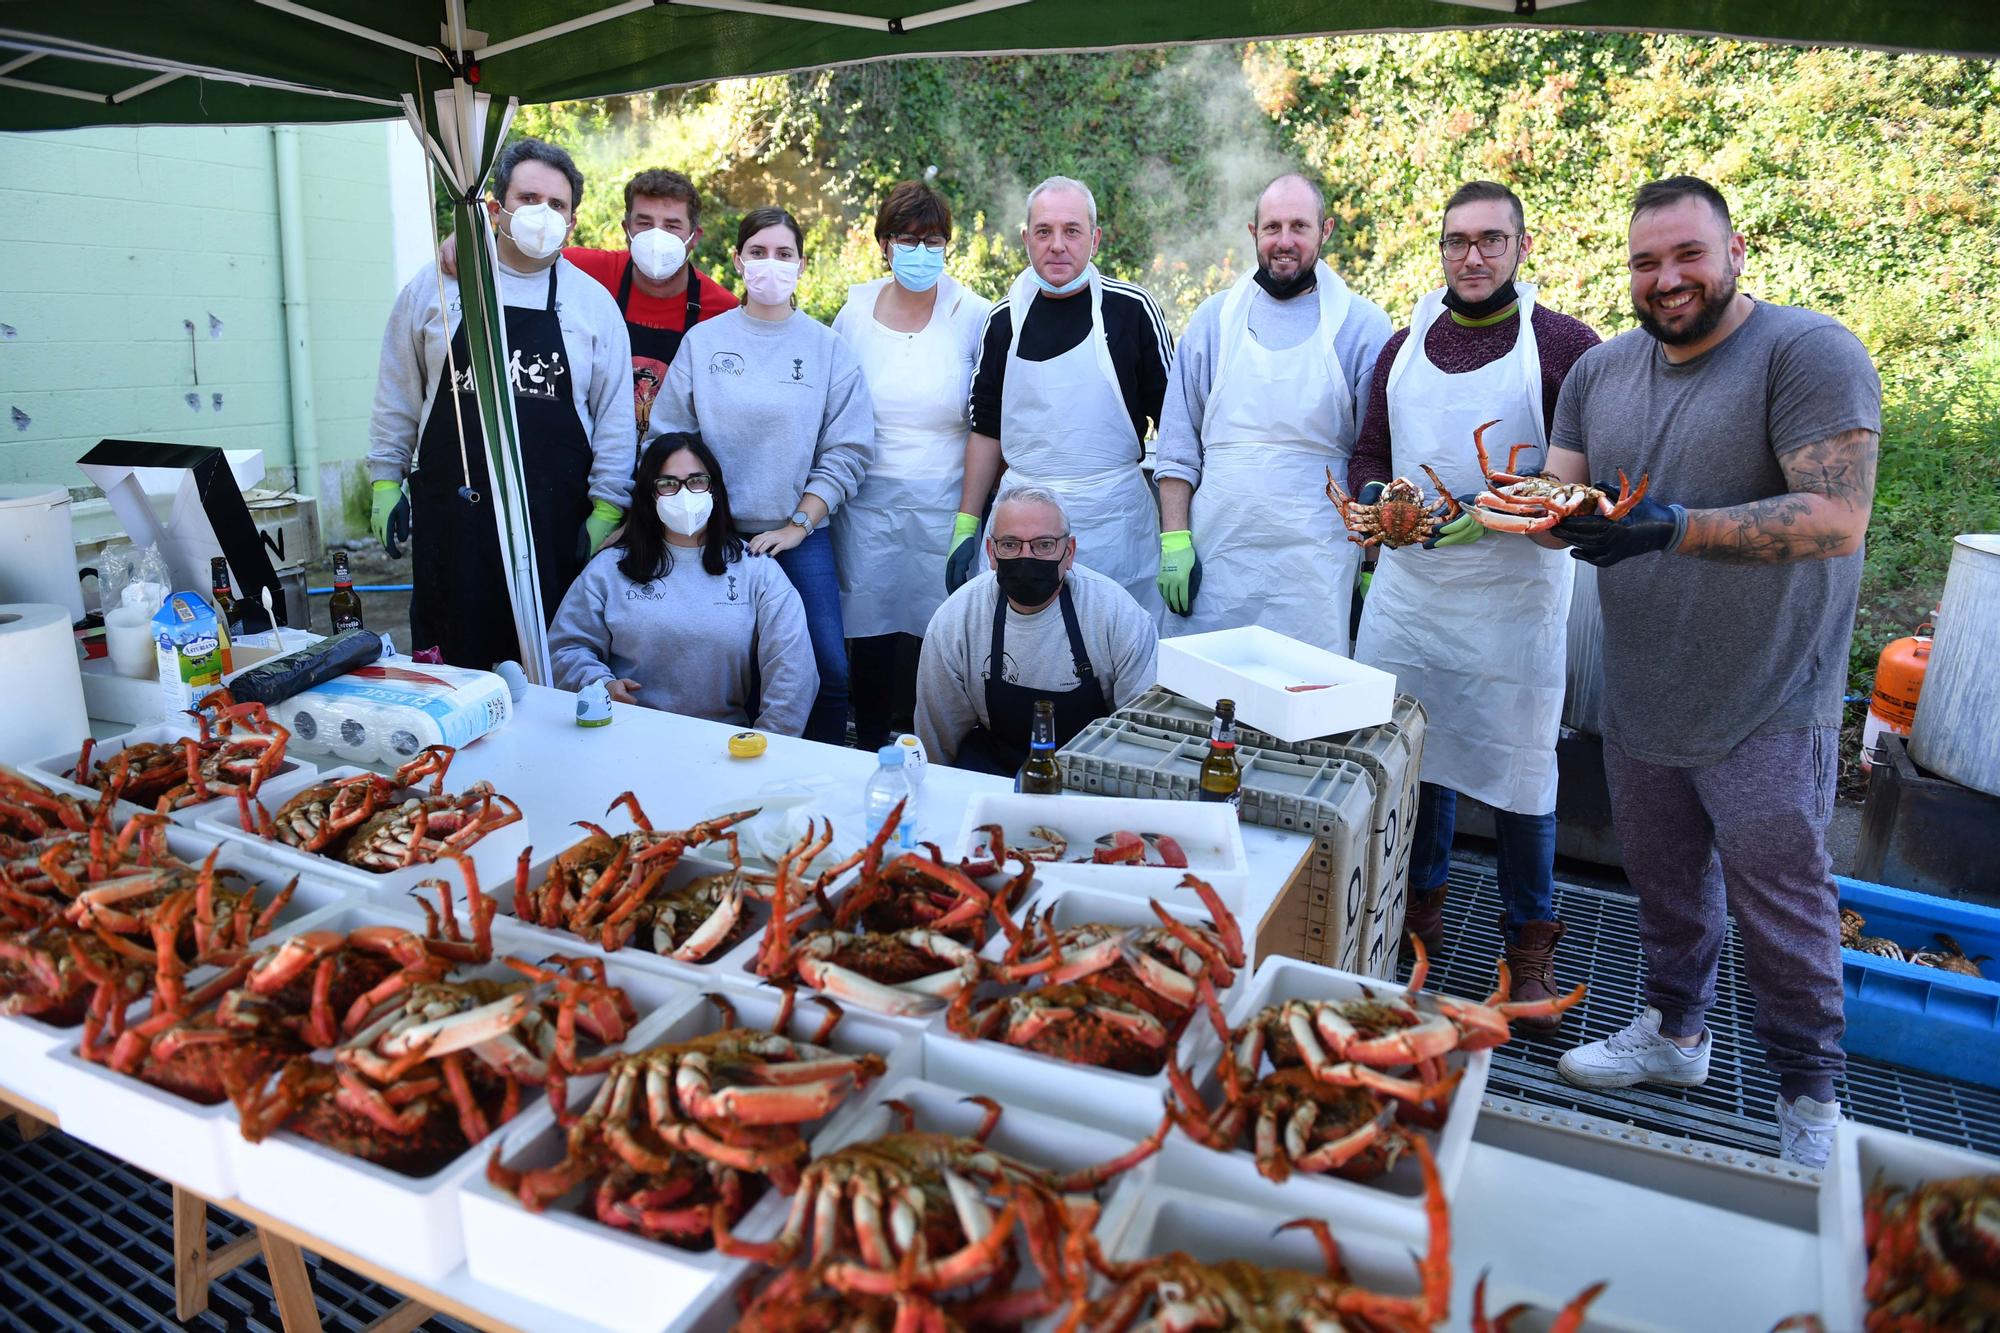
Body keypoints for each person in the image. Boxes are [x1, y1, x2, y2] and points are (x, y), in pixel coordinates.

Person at [1542, 176, 1880, 1168]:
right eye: (1645, 261)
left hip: (1768, 694)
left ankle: (1807, 1102)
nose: (1666, 278)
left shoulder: (1804, 352)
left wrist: (1671, 526)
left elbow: (1834, 519)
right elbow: (1550, 490)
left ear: (1735, 252)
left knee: (1782, 910)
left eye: (1687, 254)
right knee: (1663, 887)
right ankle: (1674, 1036)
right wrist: (1487, 514)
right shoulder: (1598, 374)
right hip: (1643, 684)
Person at [1347, 180, 1603, 1027]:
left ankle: (1529, 947)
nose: (1474, 256)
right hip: (1411, 595)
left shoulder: (1565, 347)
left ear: (1523, 247)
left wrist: (1496, 518)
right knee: (1416, 758)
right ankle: (1416, 916)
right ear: (1442, 249)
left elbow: (1588, 479)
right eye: (1458, 241)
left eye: (1492, 240)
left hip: (1515, 597)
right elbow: (1370, 451)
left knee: (1523, 773)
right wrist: (1384, 499)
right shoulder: (1401, 344)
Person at [367, 137, 635, 669]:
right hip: (452, 516)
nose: (543, 214)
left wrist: (606, 507)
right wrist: (384, 479)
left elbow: (614, 419)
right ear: (496, 208)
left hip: (556, 520)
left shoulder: (592, 306)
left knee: (553, 665)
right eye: (529, 198)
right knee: (454, 664)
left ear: (573, 222)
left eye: (556, 205)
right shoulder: (437, 288)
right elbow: (397, 391)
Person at [652, 206, 874, 746]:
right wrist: (693, 518)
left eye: (783, 254)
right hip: (709, 536)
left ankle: (819, 777)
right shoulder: (703, 343)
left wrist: (799, 524)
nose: (770, 264)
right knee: (735, 668)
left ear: (802, 264)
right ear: (736, 260)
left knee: (827, 670)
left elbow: (848, 449)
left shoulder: (827, 349)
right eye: (758, 252)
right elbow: (668, 438)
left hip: (799, 538)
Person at [1153, 172, 1391, 652]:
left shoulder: (1363, 327)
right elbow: (1177, 448)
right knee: (1205, 698)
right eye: (1272, 227)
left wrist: (1371, 561)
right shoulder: (1212, 321)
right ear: (1253, 232)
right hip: (1219, 553)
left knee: (1306, 704)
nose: (1285, 241)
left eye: (1299, 227)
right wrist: (1173, 541)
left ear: (1325, 232)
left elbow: (1375, 456)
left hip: (1316, 565)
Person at [947, 176, 1173, 618]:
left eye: (1072, 231)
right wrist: (967, 524)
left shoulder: (1132, 310)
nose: (1057, 245)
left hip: (1115, 524)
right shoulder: (1002, 321)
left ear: (1095, 238)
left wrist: (1178, 535)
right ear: (1025, 238)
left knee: (1120, 649)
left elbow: (1177, 426)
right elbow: (986, 430)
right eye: (1044, 231)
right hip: (1021, 530)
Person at [832, 180, 993, 751]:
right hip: (865, 506)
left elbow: (987, 421)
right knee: (870, 633)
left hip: (945, 501)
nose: (920, 251)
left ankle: (936, 748)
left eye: (934, 240)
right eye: (907, 238)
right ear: (883, 243)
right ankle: (870, 745)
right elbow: (833, 403)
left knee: (940, 636)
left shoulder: (972, 314)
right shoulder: (853, 310)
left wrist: (970, 521)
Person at [440, 168, 738, 443]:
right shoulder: (586, 272)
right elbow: (523, 251)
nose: (656, 236)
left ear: (693, 237)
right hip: (594, 457)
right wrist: (471, 239)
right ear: (626, 229)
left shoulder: (723, 310)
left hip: (675, 478)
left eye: (672, 226)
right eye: (644, 223)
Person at [550, 432, 816, 735]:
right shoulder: (608, 569)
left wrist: (765, 744)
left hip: (724, 745)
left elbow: (794, 671)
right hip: (623, 737)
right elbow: (566, 648)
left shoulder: (757, 570)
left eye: (696, 481)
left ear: (714, 488)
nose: (684, 494)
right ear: (650, 495)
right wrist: (599, 684)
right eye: (667, 484)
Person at [916, 486, 1158, 773]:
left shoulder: (1118, 615)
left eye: (1044, 545)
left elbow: (1143, 736)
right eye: (1010, 544)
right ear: (991, 553)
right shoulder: (955, 620)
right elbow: (938, 741)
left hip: (1091, 772)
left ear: (1069, 552)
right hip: (996, 768)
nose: (1026, 557)